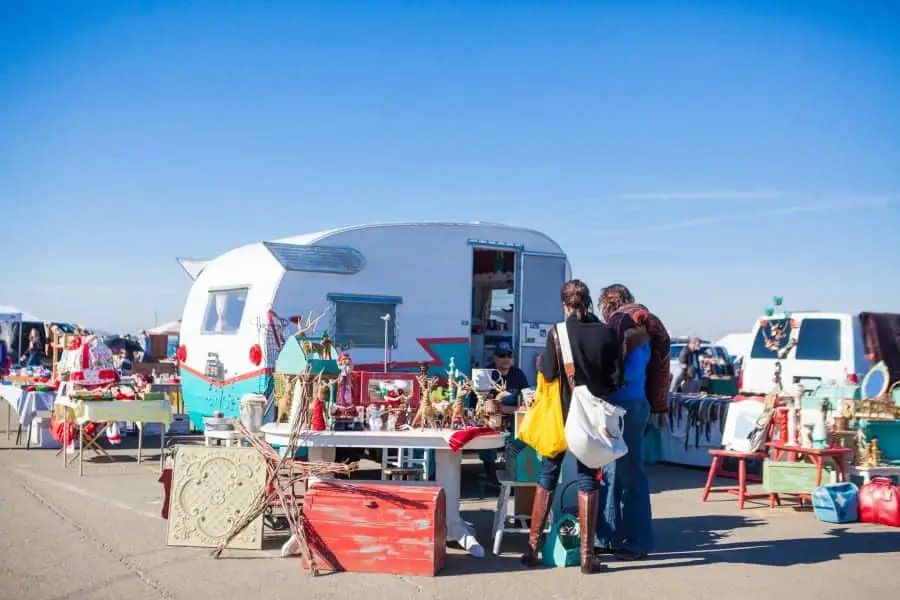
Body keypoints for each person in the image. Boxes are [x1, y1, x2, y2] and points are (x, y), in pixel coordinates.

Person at [522, 279, 622, 574]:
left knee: (548, 475)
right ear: (588, 301)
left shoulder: (558, 332)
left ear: (565, 304)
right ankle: (587, 557)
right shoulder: (606, 333)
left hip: (560, 418)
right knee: (588, 479)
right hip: (590, 421)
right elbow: (616, 379)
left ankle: (532, 548)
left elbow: (549, 373)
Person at [595, 283, 671, 561]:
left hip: (622, 407)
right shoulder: (643, 331)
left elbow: (627, 373)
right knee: (615, 472)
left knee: (626, 475)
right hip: (636, 405)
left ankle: (636, 541)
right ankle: (609, 537)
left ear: (609, 304)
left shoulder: (628, 331)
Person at [474, 341, 529, 485]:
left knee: (523, 434)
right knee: (487, 439)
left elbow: (527, 398)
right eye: (502, 355)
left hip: (513, 416)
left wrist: (509, 409)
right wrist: (499, 409)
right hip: (490, 416)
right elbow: (481, 402)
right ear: (495, 358)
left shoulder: (518, 374)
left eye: (509, 356)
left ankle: (513, 471)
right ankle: (491, 476)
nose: (506, 359)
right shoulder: (486, 374)